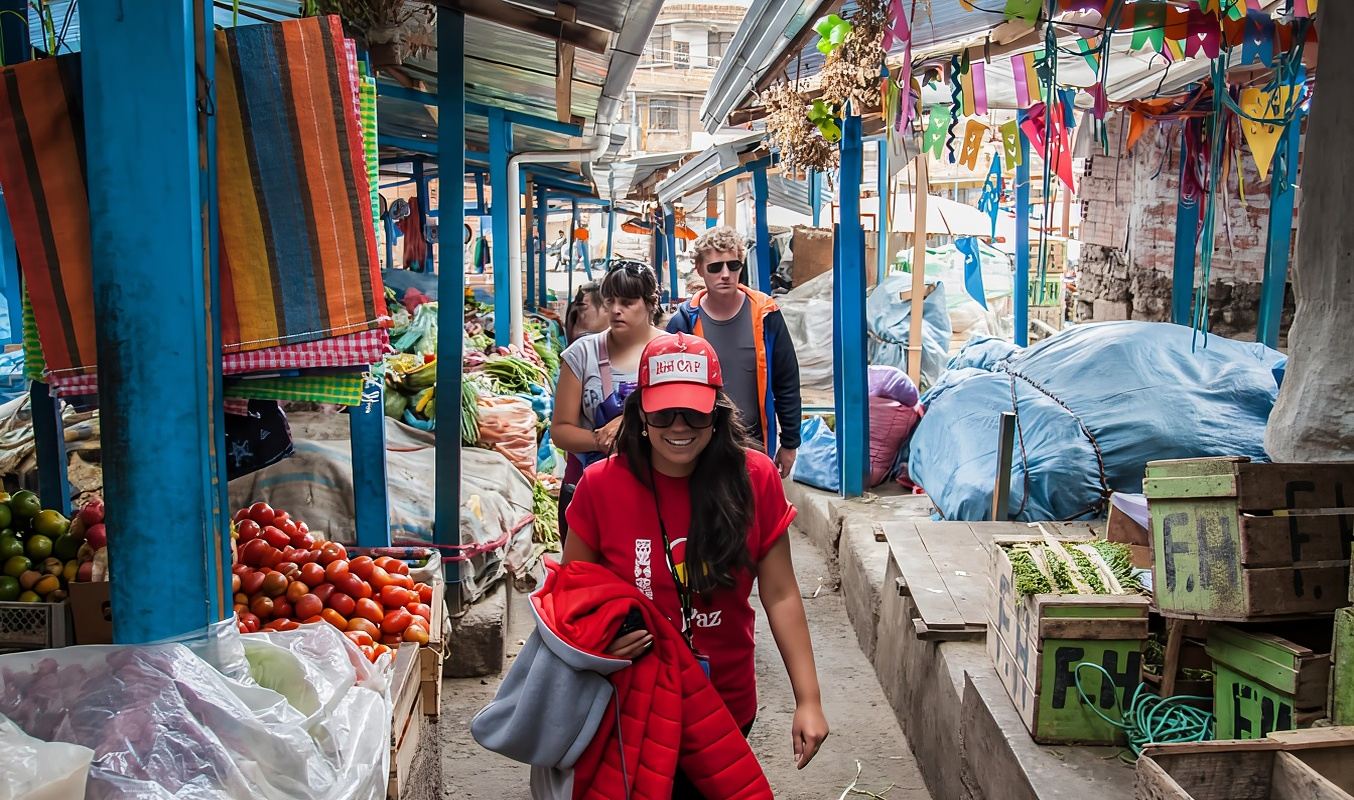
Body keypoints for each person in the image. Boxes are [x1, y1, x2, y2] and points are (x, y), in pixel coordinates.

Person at [564, 332, 829, 797]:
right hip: (628, 702)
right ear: (641, 412)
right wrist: (599, 646)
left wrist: (808, 699)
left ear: (718, 412)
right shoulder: (599, 485)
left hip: (724, 703)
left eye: (695, 412)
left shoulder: (756, 477)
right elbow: (570, 596)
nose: (679, 426)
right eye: (664, 412)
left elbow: (781, 593)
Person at [667, 226, 802, 478]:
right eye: (715, 267)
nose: (726, 274)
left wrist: (790, 442)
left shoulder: (766, 314)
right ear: (699, 269)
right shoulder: (684, 322)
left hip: (756, 445)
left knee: (754, 514)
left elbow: (786, 382)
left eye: (734, 265)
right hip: (700, 447)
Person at [552, 263, 666, 541]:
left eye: (627, 302)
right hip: (589, 489)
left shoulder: (673, 351)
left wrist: (631, 424)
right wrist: (601, 439)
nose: (616, 310)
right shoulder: (582, 353)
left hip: (659, 489)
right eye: (610, 301)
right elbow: (560, 431)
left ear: (651, 303)